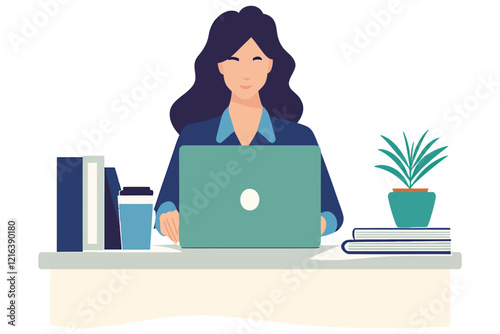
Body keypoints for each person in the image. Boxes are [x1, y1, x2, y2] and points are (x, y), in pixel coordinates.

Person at [154, 6, 343, 243]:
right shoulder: (194, 137)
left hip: (282, 256)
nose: (246, 73)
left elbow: (332, 213)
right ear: (220, 66)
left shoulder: (300, 138)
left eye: (256, 59)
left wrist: (315, 224)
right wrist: (167, 215)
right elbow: (165, 204)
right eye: (234, 59)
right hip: (210, 260)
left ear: (269, 65)